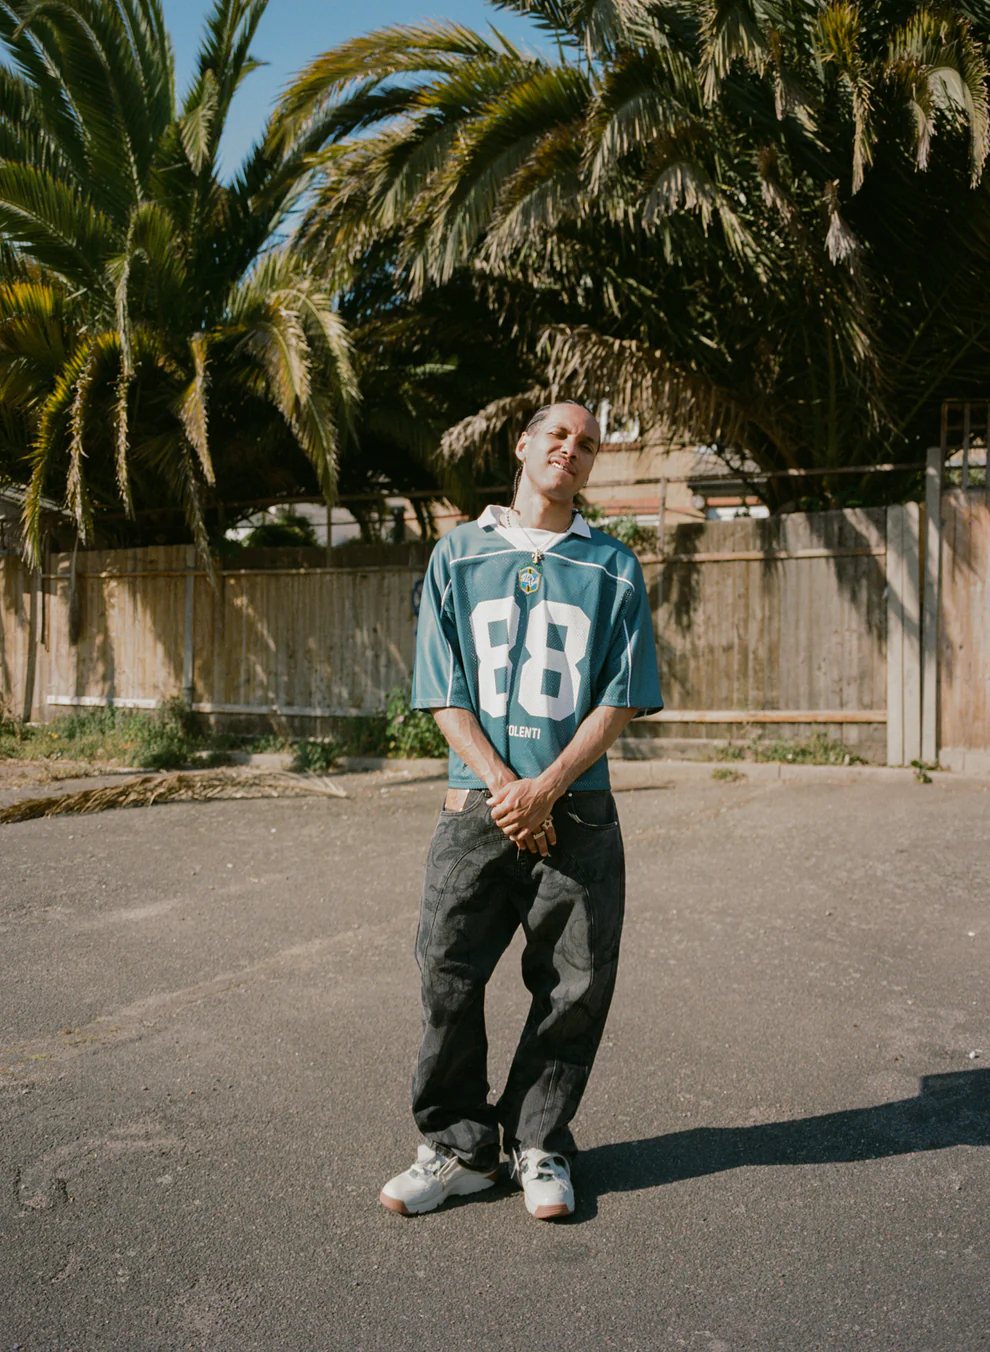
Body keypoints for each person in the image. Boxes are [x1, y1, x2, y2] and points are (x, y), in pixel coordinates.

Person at [379, 399, 663, 1221]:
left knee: (575, 984)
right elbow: (442, 688)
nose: (572, 450)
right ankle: (460, 1149)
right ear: (523, 445)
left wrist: (547, 788)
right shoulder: (457, 553)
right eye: (558, 435)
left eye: (588, 444)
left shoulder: (613, 566)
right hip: (477, 802)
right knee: (447, 971)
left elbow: (622, 694)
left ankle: (539, 1144)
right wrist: (509, 787)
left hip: (578, 809)